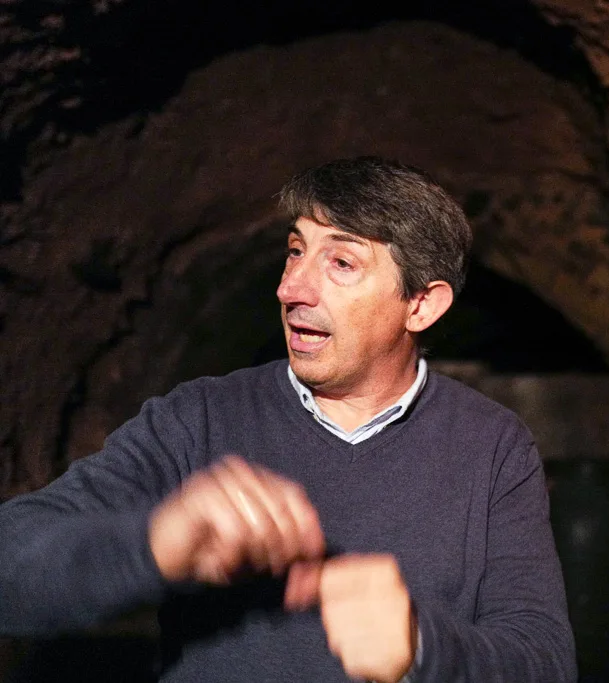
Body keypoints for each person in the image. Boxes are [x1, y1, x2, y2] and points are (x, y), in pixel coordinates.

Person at [0, 157, 577, 683]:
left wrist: (421, 646)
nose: (290, 287)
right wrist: (153, 543)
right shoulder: (199, 419)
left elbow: (545, 662)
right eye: (296, 251)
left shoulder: (493, 445)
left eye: (342, 262)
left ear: (421, 305)